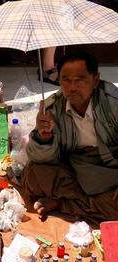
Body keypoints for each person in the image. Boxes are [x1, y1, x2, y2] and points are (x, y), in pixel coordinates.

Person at [21, 52, 118, 225]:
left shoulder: (113, 102)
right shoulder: (53, 107)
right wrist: (44, 137)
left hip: (110, 170)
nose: (72, 87)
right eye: (66, 79)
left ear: (95, 80)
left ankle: (63, 202)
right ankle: (84, 204)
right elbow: (42, 159)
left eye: (80, 79)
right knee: (31, 175)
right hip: (75, 167)